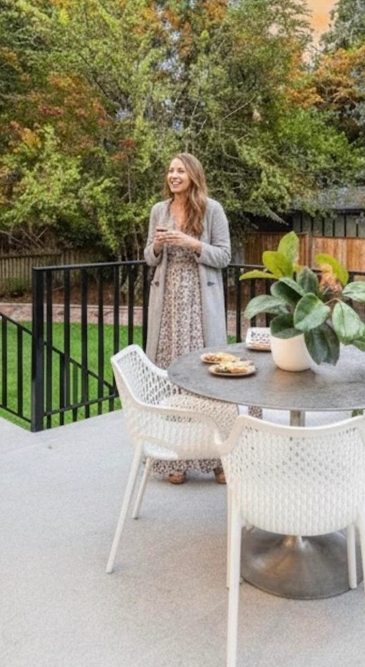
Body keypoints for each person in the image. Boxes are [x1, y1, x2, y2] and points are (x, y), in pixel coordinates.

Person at [143, 153, 235, 485]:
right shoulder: (159, 210)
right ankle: (174, 461)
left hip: (199, 304)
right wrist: (156, 245)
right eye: (170, 170)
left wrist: (191, 243)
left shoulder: (212, 210)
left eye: (180, 170)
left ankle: (217, 460)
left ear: (193, 175)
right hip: (168, 306)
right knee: (171, 380)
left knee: (205, 381)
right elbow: (149, 259)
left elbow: (224, 256)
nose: (173, 175)